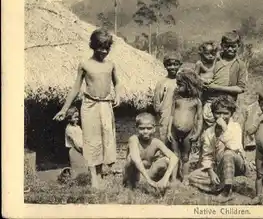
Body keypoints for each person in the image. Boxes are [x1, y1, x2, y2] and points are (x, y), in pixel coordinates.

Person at [53, 28, 121, 189]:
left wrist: (118, 94)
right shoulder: (85, 64)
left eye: (107, 48)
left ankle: (101, 174)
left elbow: (117, 83)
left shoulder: (111, 65)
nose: (104, 51)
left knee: (106, 139)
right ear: (92, 45)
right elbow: (76, 88)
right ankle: (93, 178)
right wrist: (64, 109)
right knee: (92, 140)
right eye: (100, 47)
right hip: (89, 106)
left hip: (105, 105)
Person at [188, 95, 249, 203]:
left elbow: (234, 147)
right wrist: (211, 172)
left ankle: (227, 192)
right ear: (213, 113)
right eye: (218, 113)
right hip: (219, 166)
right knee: (192, 177)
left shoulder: (235, 127)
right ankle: (220, 185)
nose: (221, 116)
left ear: (231, 114)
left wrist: (225, 128)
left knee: (228, 154)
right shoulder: (209, 132)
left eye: (225, 113)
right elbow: (207, 155)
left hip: (236, 163)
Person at [122, 112, 179, 194]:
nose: (145, 131)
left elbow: (174, 157)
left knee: (167, 160)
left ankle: (170, 183)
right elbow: (136, 159)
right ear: (136, 128)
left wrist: (165, 178)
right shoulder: (134, 140)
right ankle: (129, 186)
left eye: (149, 128)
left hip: (147, 174)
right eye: (142, 128)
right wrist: (149, 181)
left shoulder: (156, 142)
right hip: (134, 175)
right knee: (131, 159)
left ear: (154, 129)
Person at [202, 31, 248, 130]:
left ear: (238, 46)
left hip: (227, 106)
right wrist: (205, 82)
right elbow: (204, 75)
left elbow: (240, 88)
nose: (230, 49)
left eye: (233, 46)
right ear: (222, 45)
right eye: (227, 46)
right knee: (208, 134)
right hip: (210, 103)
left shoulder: (240, 65)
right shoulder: (214, 60)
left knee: (225, 134)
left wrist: (217, 87)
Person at [166, 68, 203, 184]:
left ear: (189, 85)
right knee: (175, 155)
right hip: (174, 132)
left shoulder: (196, 101)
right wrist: (168, 131)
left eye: (180, 84)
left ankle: (185, 178)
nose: (177, 87)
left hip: (188, 133)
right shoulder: (176, 98)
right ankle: (173, 178)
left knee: (185, 156)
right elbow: (171, 115)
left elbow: (199, 118)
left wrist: (197, 133)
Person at [154, 52, 182, 143]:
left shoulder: (183, 81)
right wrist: (160, 113)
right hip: (165, 114)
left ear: (180, 65)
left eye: (175, 64)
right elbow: (157, 102)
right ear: (165, 66)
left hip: (180, 113)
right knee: (165, 139)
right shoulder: (162, 82)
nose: (172, 67)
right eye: (169, 65)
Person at [64, 106, 87, 178]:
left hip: (81, 149)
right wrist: (82, 151)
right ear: (69, 118)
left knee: (84, 169)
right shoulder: (69, 129)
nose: (77, 119)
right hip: (75, 150)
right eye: (75, 117)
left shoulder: (77, 127)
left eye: (78, 117)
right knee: (77, 172)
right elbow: (75, 143)